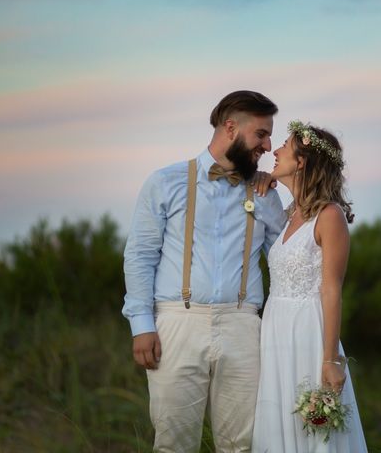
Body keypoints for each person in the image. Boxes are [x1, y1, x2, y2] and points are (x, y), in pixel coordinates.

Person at [122, 90, 287, 452]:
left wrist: (278, 188)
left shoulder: (263, 193)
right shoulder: (165, 181)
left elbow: (288, 251)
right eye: (261, 133)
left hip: (243, 325)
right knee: (174, 442)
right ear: (231, 127)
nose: (268, 144)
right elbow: (140, 255)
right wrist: (142, 325)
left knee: (242, 444)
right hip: (176, 323)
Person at [252, 120, 368, 452]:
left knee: (315, 434)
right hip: (276, 332)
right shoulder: (290, 214)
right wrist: (263, 180)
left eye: (285, 147)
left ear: (302, 161)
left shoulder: (329, 216)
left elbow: (331, 289)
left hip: (308, 335)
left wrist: (330, 359)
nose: (274, 151)